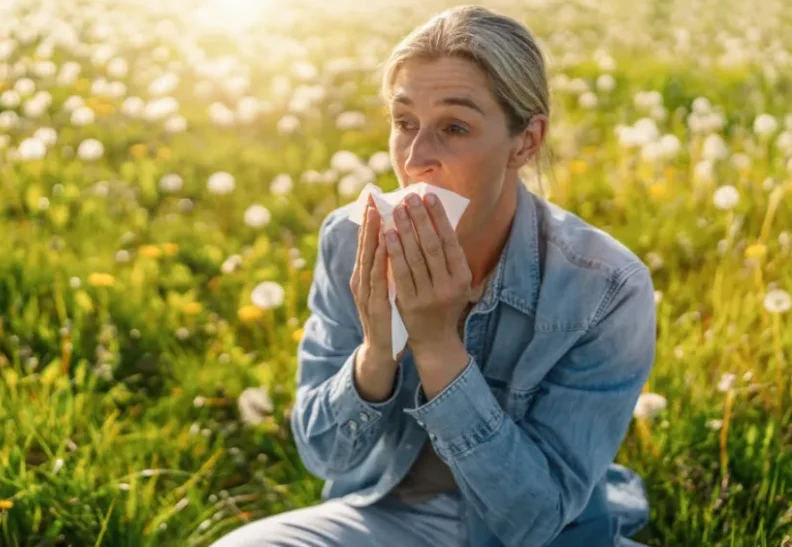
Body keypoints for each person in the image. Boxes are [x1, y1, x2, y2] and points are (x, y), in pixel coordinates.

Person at [213, 5, 656, 547]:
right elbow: (322, 454)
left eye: (454, 127)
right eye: (404, 124)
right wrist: (377, 352)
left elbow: (538, 519)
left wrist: (437, 346)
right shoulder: (351, 239)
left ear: (527, 142)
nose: (417, 158)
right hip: (390, 519)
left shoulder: (605, 288)